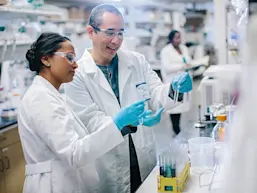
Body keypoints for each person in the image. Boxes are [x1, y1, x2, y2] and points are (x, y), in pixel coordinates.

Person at [64, 4, 192, 193]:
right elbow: (90, 120)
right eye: (109, 33)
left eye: (121, 33)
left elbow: (155, 93)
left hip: (142, 156)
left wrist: (174, 88)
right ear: (91, 32)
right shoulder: (76, 74)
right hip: (107, 163)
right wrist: (123, 122)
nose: (116, 41)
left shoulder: (136, 61)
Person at [18, 32, 151, 193]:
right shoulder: (40, 99)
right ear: (45, 59)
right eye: (68, 57)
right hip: (53, 186)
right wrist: (116, 124)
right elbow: (75, 153)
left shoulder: (52, 95)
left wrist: (121, 125)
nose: (75, 65)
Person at [160, 30, 193, 135]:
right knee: (174, 107)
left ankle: (178, 128)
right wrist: (182, 66)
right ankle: (176, 129)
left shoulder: (184, 48)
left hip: (184, 81)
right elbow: (167, 67)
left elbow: (188, 60)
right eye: (176, 37)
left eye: (179, 37)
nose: (178, 40)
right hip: (173, 82)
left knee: (182, 106)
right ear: (171, 39)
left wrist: (189, 64)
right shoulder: (166, 51)